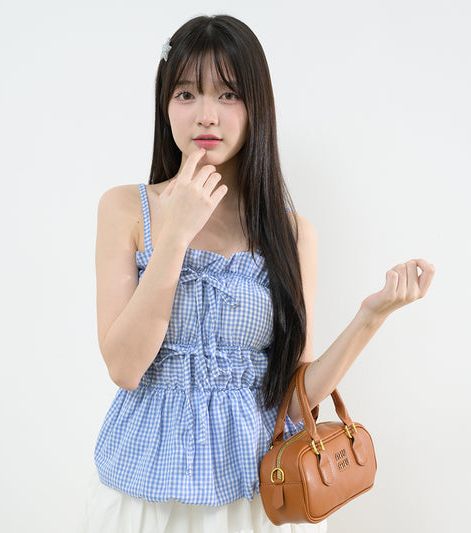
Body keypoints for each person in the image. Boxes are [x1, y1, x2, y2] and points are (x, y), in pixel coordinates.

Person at [77, 14, 435, 533]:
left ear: (256, 107)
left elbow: (294, 399)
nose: (206, 115)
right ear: (165, 105)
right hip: (145, 491)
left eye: (228, 95)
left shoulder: (292, 233)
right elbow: (125, 368)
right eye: (186, 94)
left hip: (257, 493)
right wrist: (175, 236)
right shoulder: (126, 209)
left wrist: (371, 316)